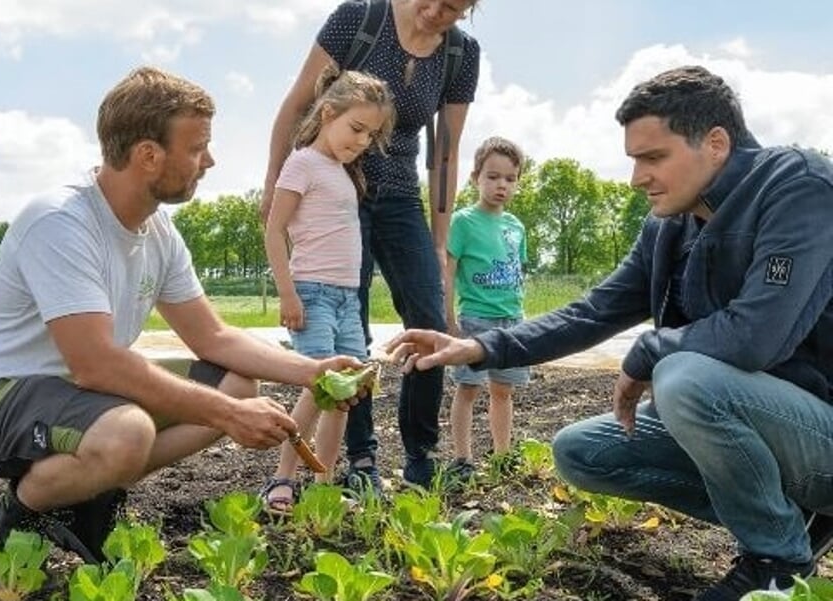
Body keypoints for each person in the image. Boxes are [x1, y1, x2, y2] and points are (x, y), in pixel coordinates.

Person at [385, 65, 833, 599]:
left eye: (653, 157)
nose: (636, 177)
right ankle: (793, 519)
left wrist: (649, 350)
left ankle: (777, 562)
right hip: (768, 430)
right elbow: (593, 311)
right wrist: (482, 344)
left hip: (820, 429)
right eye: (633, 160)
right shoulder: (670, 223)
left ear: (715, 143)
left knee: (683, 377)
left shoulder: (799, 189)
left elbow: (757, 336)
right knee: (582, 451)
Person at [0, 66, 363, 564]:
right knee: (129, 432)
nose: (210, 160)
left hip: (73, 394)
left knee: (238, 382)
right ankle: (21, 510)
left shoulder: (156, 231)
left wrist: (313, 372)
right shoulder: (61, 222)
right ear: (148, 155)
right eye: (198, 147)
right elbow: (97, 364)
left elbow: (213, 337)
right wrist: (228, 416)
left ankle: (86, 491)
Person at [261, 0, 482, 491]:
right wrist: (274, 183)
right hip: (341, 192)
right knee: (350, 334)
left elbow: (445, 151)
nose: (437, 14)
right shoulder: (359, 19)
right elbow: (299, 104)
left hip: (402, 198)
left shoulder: (461, 54)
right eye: (434, 1)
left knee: (428, 316)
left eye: (456, 9)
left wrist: (440, 236)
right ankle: (361, 460)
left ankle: (420, 454)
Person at [260, 67, 396, 513]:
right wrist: (287, 294)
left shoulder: (343, 171)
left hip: (346, 299)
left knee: (346, 395)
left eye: (369, 135)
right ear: (328, 113)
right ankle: (282, 478)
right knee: (320, 388)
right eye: (355, 128)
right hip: (312, 293)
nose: (360, 141)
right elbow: (274, 229)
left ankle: (323, 482)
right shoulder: (302, 162)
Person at [444, 136, 529, 480]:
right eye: (493, 177)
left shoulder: (516, 227)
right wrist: (448, 319)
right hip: (476, 320)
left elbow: (517, 272)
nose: (501, 185)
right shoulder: (463, 222)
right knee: (468, 388)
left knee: (503, 390)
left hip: (512, 320)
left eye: (509, 179)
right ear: (475, 177)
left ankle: (502, 454)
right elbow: (447, 273)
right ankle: (462, 459)